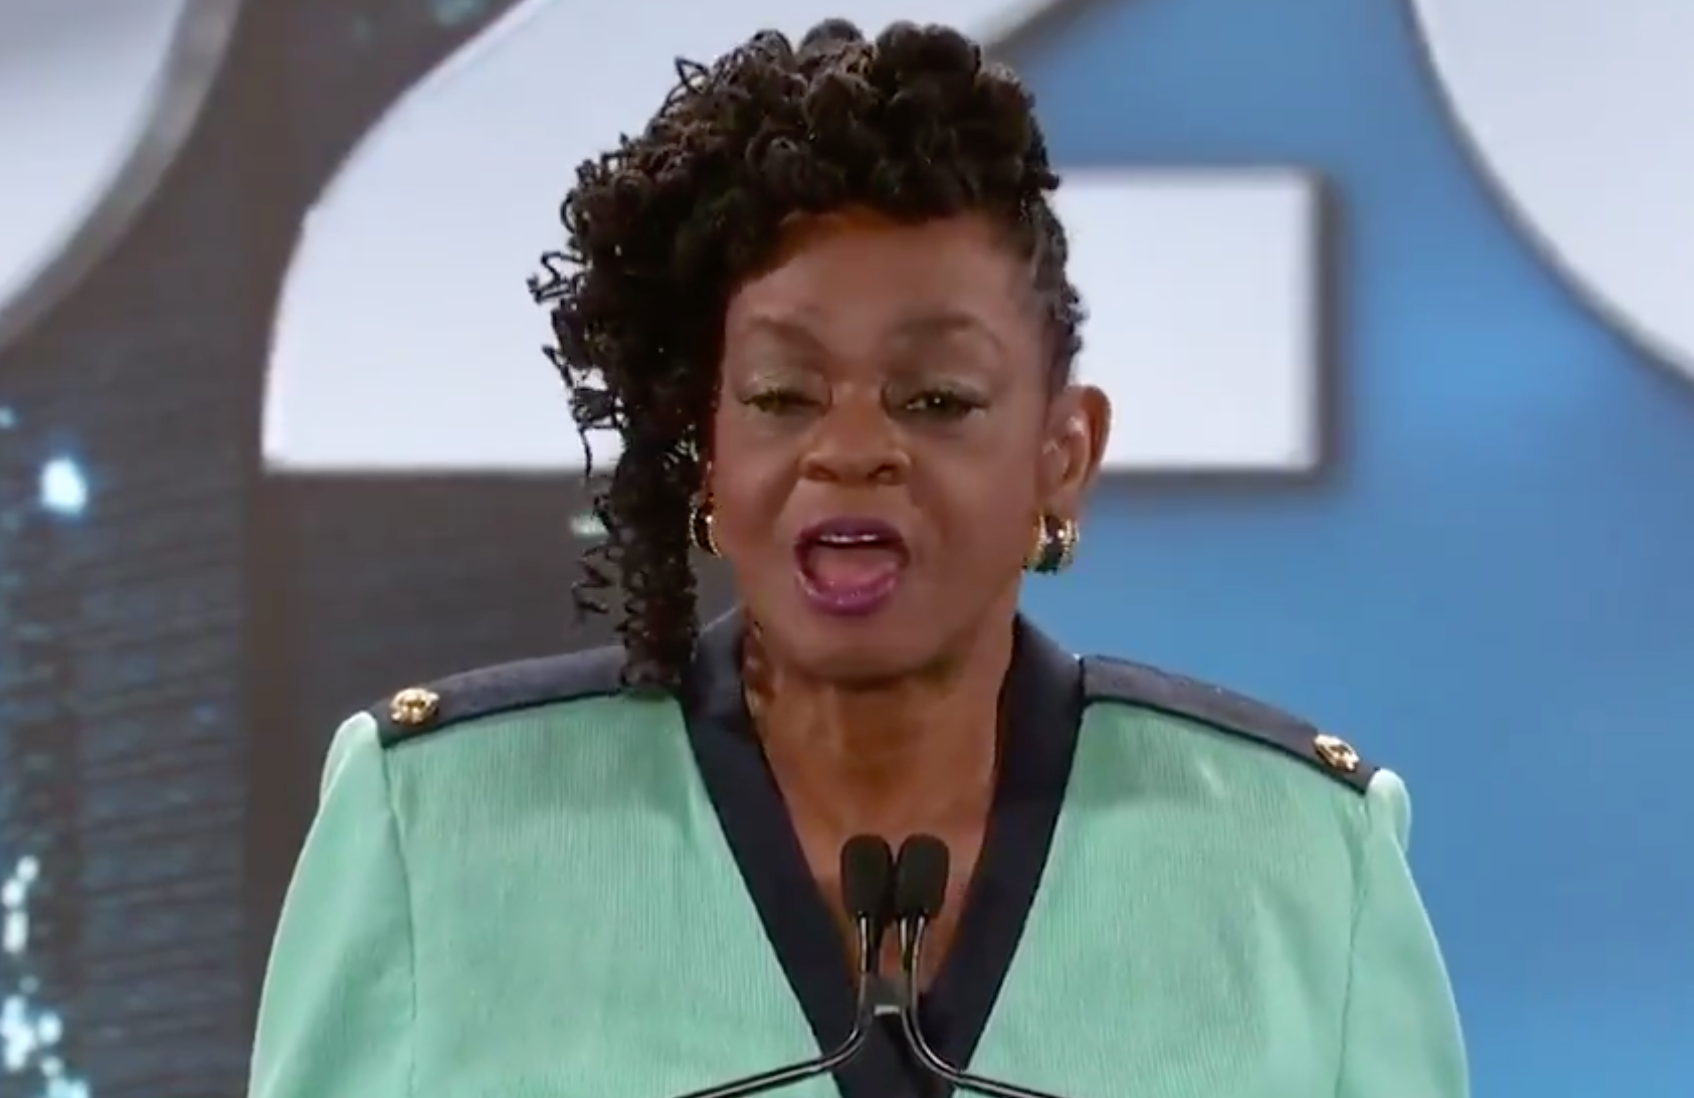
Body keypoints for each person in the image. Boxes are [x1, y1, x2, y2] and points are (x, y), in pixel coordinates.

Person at [247, 18, 1468, 1098]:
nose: (850, 452)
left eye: (934, 399)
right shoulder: (436, 828)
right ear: (704, 455)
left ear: (1062, 455)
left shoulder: (1300, 863)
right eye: (781, 394)